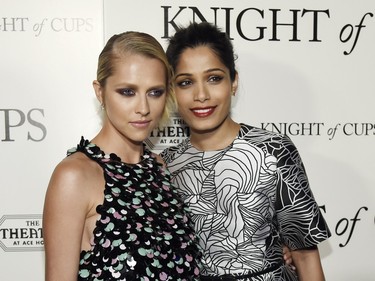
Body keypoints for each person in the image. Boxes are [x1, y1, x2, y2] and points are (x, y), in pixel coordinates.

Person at [161, 22, 331, 280]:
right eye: (186, 82)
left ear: (234, 82)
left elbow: (306, 257)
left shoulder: (274, 151)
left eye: (214, 78)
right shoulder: (165, 165)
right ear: (173, 91)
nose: (201, 95)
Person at [42, 31, 202, 281]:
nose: (144, 108)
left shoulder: (159, 167)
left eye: (155, 92)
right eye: (127, 92)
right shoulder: (75, 176)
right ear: (100, 92)